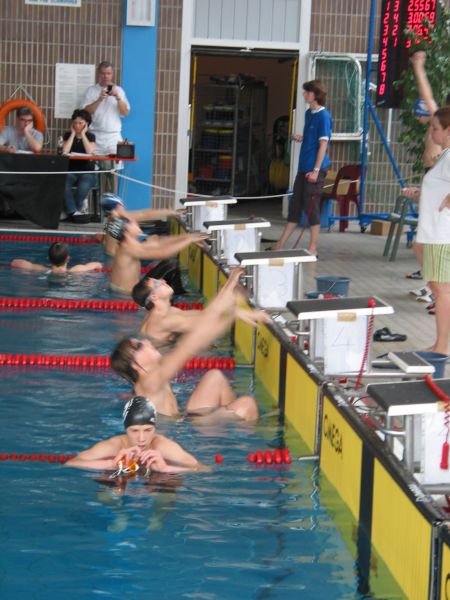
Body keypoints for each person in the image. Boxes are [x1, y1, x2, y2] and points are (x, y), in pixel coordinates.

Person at [111, 268, 259, 421]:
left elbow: (206, 316)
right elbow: (190, 344)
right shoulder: (150, 381)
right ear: (135, 365)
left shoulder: (152, 372)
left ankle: (229, 424)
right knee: (247, 405)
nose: (146, 341)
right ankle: (235, 425)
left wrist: (231, 284)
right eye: (140, 346)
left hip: (182, 418)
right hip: (184, 428)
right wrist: (232, 315)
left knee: (214, 376)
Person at [402, 106, 450, 355]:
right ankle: (439, 344)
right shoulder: (444, 156)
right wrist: (420, 194)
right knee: (439, 290)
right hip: (432, 234)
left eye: (435, 128)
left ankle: (442, 347)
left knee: (442, 292)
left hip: (441, 235)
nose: (431, 133)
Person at [132, 268, 270, 349]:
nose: (163, 280)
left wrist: (232, 280)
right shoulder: (164, 320)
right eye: (157, 283)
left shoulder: (166, 312)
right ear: (154, 297)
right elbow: (207, 321)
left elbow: (206, 314)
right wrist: (236, 311)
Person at [66, 396, 206, 474]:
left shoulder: (163, 446)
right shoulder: (114, 446)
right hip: (121, 480)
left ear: (154, 428)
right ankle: (118, 512)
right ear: (125, 429)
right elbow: (71, 463)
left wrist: (165, 469)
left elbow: (202, 469)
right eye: (134, 431)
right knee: (109, 479)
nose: (141, 438)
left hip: (155, 483)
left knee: (167, 482)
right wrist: (111, 464)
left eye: (147, 430)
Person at [272, 80, 332, 256]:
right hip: (303, 167)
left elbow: (323, 145)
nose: (305, 95)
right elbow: (312, 139)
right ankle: (280, 244)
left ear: (315, 94)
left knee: (311, 207)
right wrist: (302, 138)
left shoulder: (323, 116)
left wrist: (316, 171)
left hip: (314, 169)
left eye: (307, 92)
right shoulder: (308, 113)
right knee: (295, 206)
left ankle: (313, 248)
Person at [407, 52, 450, 283]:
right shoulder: (437, 125)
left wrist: (418, 67)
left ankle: (437, 281)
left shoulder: (441, 123)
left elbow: (427, 94)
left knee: (422, 244)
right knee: (419, 245)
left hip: (440, 179)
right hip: (434, 176)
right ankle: (434, 279)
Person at [106, 211, 208, 294]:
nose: (135, 221)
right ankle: (183, 297)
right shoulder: (128, 248)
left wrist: (187, 236)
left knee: (167, 264)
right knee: (170, 268)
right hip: (126, 296)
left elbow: (159, 243)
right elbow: (163, 253)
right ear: (126, 231)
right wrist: (189, 240)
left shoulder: (128, 244)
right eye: (131, 222)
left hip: (129, 289)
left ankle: (180, 294)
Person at [82, 61, 130, 156]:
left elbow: (126, 112)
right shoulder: (91, 90)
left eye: (108, 73)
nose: (106, 76)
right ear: (98, 73)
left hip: (113, 136)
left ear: (112, 74)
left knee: (115, 164)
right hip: (95, 135)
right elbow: (86, 112)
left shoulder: (119, 90)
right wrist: (99, 99)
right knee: (94, 164)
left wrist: (118, 97)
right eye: (103, 73)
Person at [61, 109, 97, 222]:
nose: (77, 125)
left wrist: (83, 134)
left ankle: (70, 211)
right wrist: (73, 134)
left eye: (80, 123)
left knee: (83, 187)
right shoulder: (68, 135)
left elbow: (90, 150)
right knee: (63, 183)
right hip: (70, 171)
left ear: (86, 123)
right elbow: (65, 150)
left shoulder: (91, 136)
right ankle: (74, 212)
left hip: (87, 172)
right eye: (75, 123)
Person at [11, 241, 102, 273]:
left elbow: (15, 262)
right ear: (68, 259)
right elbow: (97, 264)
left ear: (49, 258)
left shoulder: (41, 269)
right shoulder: (76, 270)